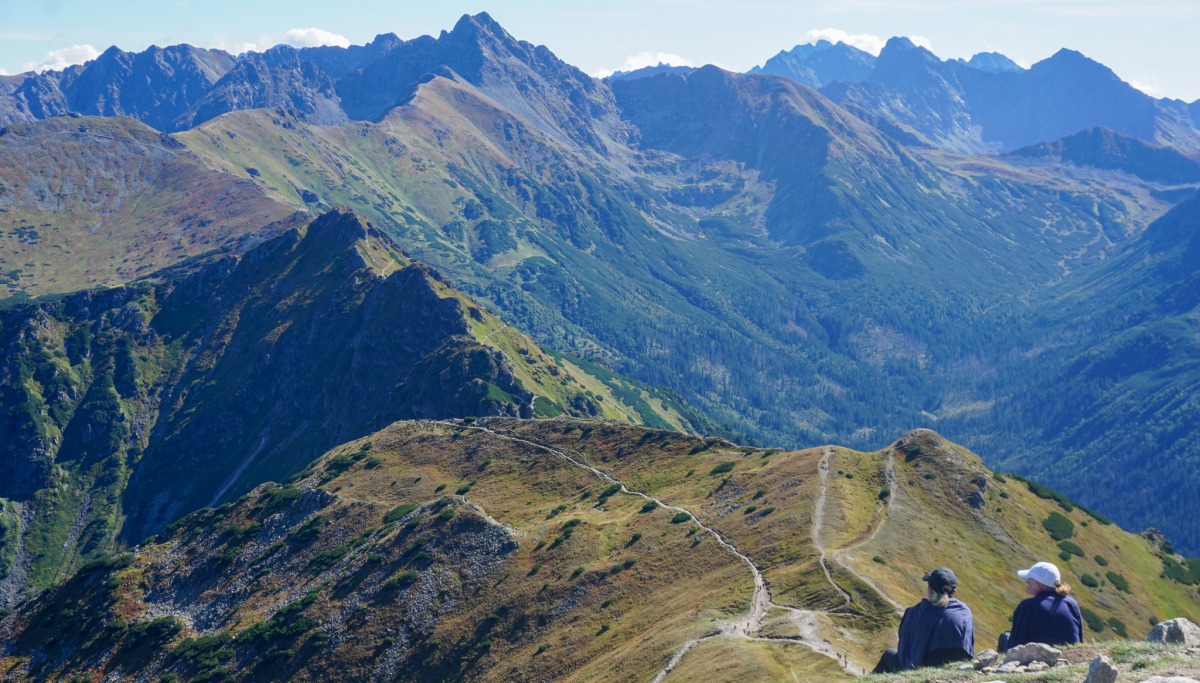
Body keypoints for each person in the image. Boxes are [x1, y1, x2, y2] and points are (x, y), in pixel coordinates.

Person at [874, 567, 975, 673]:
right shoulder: (965, 613)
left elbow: (904, 646)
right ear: (953, 592)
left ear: (931, 590)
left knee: (888, 655)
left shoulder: (915, 613)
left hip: (921, 672)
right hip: (956, 671)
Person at [1003, 561, 1083, 650]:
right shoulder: (1072, 603)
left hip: (1040, 657)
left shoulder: (1027, 606)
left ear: (1040, 584)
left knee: (1004, 637)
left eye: (1030, 578)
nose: (1027, 581)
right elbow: (1078, 639)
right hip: (1070, 654)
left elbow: (1015, 644)